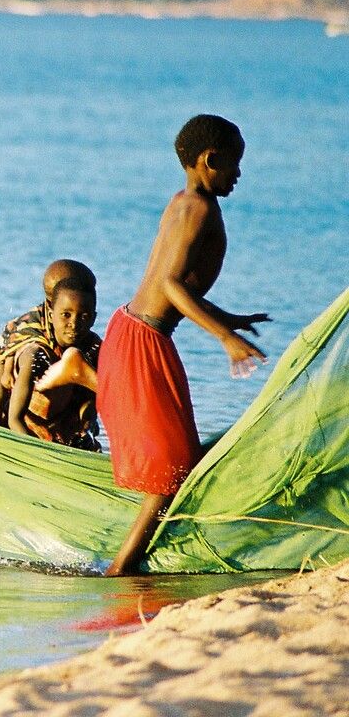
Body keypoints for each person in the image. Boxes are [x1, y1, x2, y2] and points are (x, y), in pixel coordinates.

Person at [98, 114, 269, 576]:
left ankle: (135, 559)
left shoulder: (183, 201)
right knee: (172, 471)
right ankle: (121, 570)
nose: (238, 174)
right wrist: (225, 337)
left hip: (133, 332)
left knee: (176, 462)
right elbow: (172, 285)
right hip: (143, 342)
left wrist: (230, 318)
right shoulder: (199, 209)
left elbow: (175, 286)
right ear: (209, 160)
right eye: (234, 164)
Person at [0, 259, 97, 427]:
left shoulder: (90, 341)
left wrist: (89, 412)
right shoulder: (31, 330)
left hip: (58, 414)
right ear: (51, 304)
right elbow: (2, 391)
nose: (74, 323)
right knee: (5, 383)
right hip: (19, 408)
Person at [6, 277, 103, 450]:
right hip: (24, 438)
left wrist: (88, 419)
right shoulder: (36, 355)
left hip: (64, 437)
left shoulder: (93, 349)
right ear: (51, 315)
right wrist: (39, 455)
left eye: (84, 316)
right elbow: (14, 419)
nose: (74, 323)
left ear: (93, 319)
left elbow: (89, 402)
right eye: (66, 315)